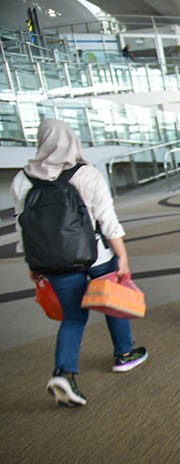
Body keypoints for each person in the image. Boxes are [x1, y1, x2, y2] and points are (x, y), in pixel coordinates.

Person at [11, 119, 148, 408]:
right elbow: (108, 221)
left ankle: (64, 374)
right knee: (113, 300)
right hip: (95, 255)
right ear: (72, 140)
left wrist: (32, 263)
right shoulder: (87, 174)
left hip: (54, 262)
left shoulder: (22, 180)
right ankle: (124, 354)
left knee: (73, 316)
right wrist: (121, 255)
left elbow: (23, 227)